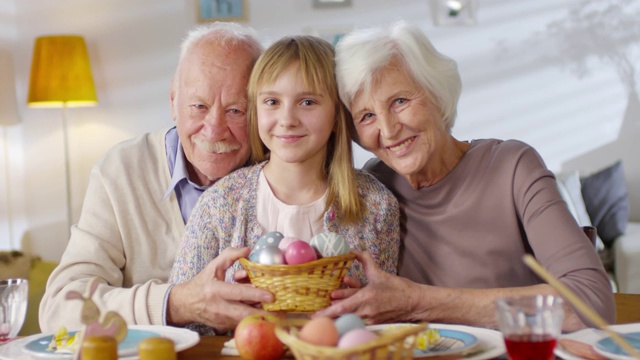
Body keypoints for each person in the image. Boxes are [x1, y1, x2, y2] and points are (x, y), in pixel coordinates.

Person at [314, 21, 615, 331]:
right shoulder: (372, 191)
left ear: (437, 92)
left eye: (400, 101)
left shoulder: (512, 167)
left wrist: (417, 301)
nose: (388, 130)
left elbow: (590, 304)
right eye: (367, 116)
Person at [39, 22, 275, 333]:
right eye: (198, 106)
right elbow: (59, 308)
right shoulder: (121, 172)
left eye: (236, 110)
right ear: (173, 101)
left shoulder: (283, 174)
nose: (215, 129)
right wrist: (174, 304)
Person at [169, 35, 401, 335]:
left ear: (336, 115)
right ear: (256, 109)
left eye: (307, 102)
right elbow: (181, 319)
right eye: (272, 102)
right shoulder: (221, 203)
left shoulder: (376, 206)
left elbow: (388, 319)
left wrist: (370, 314)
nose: (287, 119)